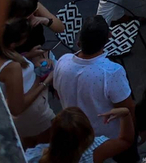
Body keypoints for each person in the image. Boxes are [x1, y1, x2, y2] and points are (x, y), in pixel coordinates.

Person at [54, 16, 136, 144]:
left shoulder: (63, 61)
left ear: (79, 42)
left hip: (75, 133)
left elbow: (57, 93)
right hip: (107, 138)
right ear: (109, 36)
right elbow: (127, 108)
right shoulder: (111, 72)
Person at [0, 18, 55, 145]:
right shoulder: (12, 68)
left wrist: (28, 57)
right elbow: (16, 108)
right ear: (13, 44)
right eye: (24, 37)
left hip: (28, 117)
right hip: (33, 114)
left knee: (28, 142)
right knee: (49, 144)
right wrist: (44, 82)